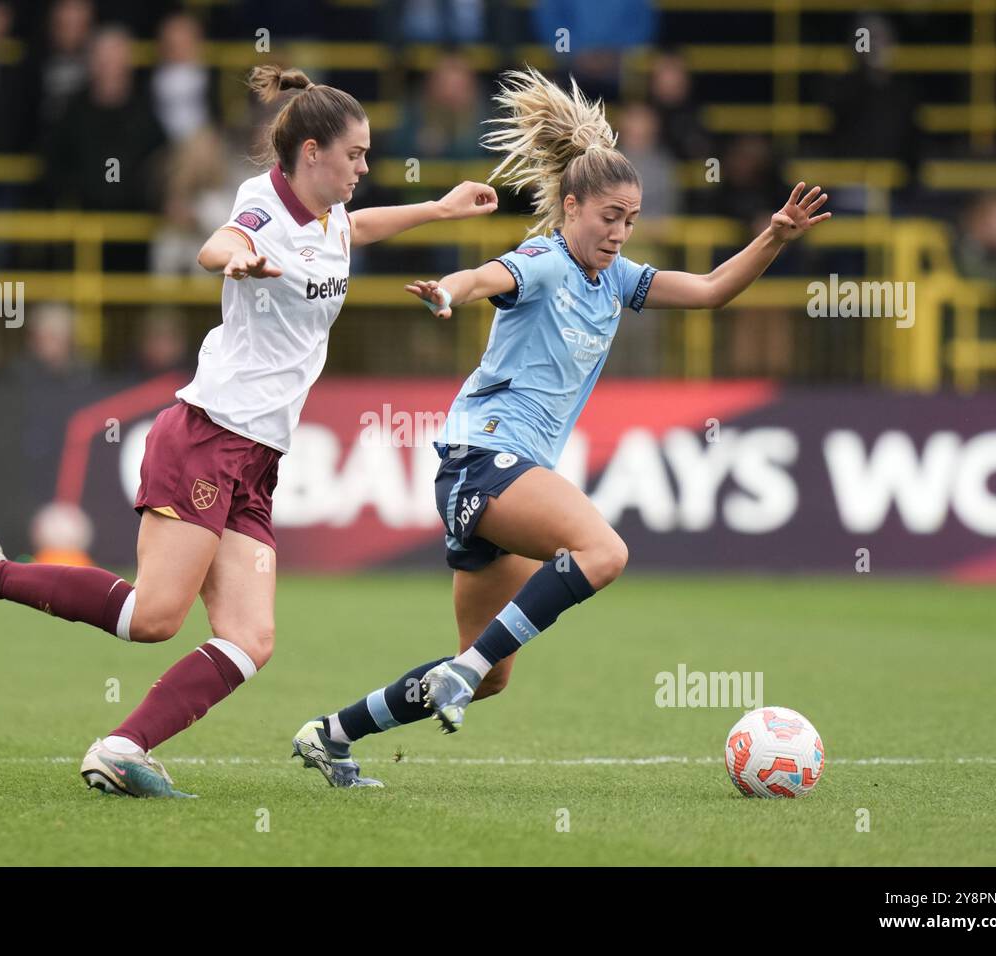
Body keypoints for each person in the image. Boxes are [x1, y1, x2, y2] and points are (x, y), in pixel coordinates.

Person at [0, 65, 499, 798]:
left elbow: (356, 229)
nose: (364, 168)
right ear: (311, 153)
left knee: (250, 639)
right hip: (211, 435)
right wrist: (236, 259)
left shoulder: (331, 217)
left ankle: (122, 748)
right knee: (152, 617)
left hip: (258, 456)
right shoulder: (262, 202)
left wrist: (438, 209)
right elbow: (218, 242)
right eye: (355, 155)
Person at [293, 67, 830, 787]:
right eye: (609, 216)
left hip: (500, 475)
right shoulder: (544, 260)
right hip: (484, 457)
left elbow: (708, 292)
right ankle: (462, 671)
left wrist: (774, 237)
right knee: (603, 552)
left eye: (631, 219)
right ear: (571, 207)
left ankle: (331, 734)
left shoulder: (618, 278)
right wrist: (448, 291)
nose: (620, 232)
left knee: (491, 675)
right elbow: (485, 277)